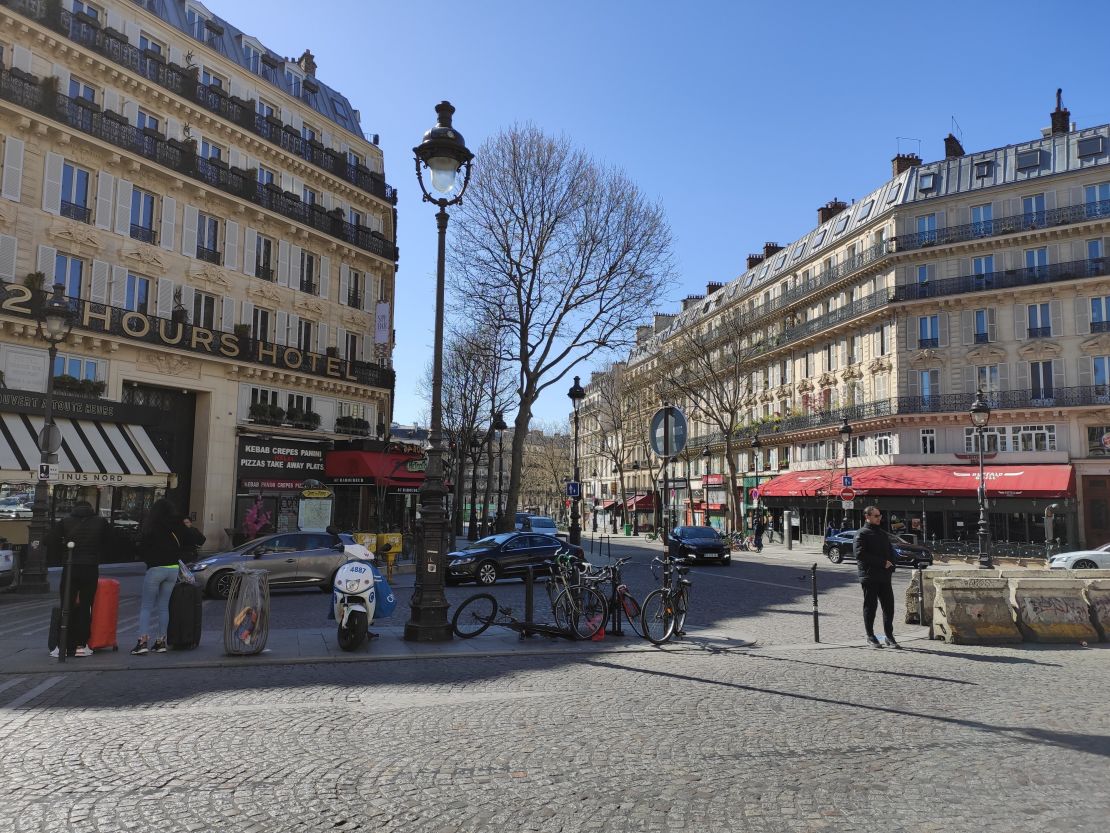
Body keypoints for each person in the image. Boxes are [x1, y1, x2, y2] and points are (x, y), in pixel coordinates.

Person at [132, 498, 204, 655]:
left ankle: (142, 642)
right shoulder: (178, 524)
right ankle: (161, 641)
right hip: (172, 568)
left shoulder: (151, 525)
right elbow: (198, 539)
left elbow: (141, 546)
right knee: (164, 606)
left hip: (155, 567)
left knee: (146, 606)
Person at [46, 500, 109, 658]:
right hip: (90, 567)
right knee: (86, 606)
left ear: (75, 509)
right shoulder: (100, 522)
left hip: (70, 567)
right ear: (91, 509)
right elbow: (113, 541)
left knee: (67, 604)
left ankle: (64, 645)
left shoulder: (65, 522)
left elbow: (49, 540)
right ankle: (81, 644)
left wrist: (64, 549)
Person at [853, 505, 900, 649]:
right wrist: (882, 563)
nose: (879, 518)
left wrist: (892, 565)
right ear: (867, 517)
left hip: (884, 576)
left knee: (889, 607)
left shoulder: (882, 533)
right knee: (870, 606)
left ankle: (889, 636)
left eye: (880, 515)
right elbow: (860, 555)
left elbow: (890, 551)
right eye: (876, 516)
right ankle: (870, 636)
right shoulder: (861, 534)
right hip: (869, 576)